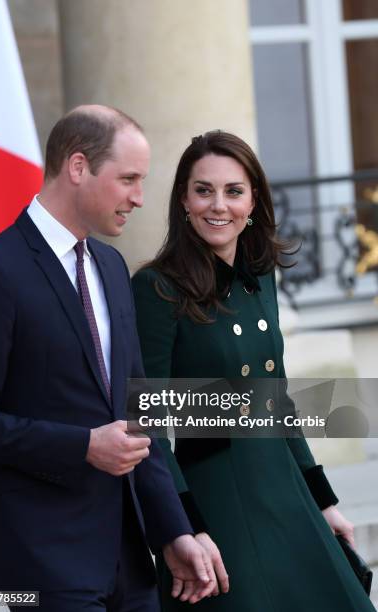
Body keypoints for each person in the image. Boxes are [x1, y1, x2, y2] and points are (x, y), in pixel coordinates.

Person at [0, 107, 229, 612]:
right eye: (128, 179)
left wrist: (174, 531)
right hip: (38, 564)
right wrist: (82, 446)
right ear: (79, 166)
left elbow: (140, 415)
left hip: (131, 563)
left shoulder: (112, 267)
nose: (138, 197)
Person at [132, 130, 376, 611]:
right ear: (183, 199)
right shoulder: (156, 288)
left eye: (233, 191)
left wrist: (322, 500)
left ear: (253, 201)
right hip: (219, 506)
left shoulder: (259, 274)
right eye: (203, 190)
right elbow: (150, 424)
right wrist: (183, 527)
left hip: (284, 490)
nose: (217, 205)